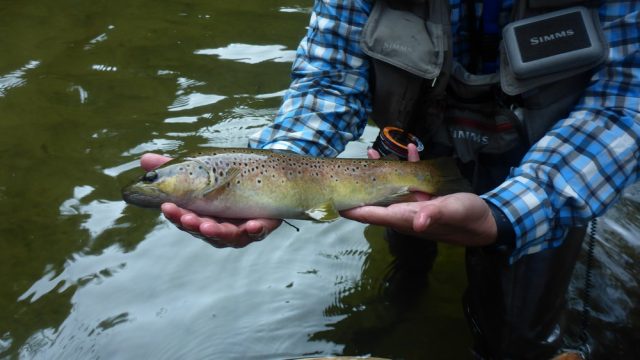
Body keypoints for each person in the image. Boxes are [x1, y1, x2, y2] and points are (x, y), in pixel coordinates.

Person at [142, 0, 639, 358]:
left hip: (551, 167)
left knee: (519, 336)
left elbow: (624, 102)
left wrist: (512, 213)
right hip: (409, 158)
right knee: (408, 249)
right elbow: (329, 79)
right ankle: (408, 290)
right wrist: (280, 162)